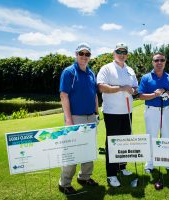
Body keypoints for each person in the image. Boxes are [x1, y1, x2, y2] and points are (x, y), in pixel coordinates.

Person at [58, 42, 99, 195]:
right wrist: (68, 120)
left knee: (89, 149)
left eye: (87, 54)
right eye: (81, 54)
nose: (84, 57)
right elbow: (64, 95)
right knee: (72, 151)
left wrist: (96, 113)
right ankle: (65, 183)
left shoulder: (91, 73)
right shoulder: (69, 72)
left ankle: (84, 177)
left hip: (90, 117)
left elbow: (94, 94)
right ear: (76, 55)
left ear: (90, 56)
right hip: (75, 117)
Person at [97, 42, 138, 187]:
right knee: (112, 142)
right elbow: (101, 86)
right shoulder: (106, 68)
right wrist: (121, 88)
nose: (121, 54)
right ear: (114, 53)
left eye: (124, 52)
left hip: (127, 111)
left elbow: (135, 87)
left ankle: (122, 167)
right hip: (112, 112)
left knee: (125, 140)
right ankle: (111, 173)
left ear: (126, 54)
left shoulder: (130, 70)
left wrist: (133, 90)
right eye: (118, 52)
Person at [138, 52, 169, 173]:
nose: (159, 62)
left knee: (167, 136)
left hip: (166, 110)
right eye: (156, 60)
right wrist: (154, 95)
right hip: (151, 111)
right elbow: (140, 96)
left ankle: (167, 162)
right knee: (151, 136)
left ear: (165, 62)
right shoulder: (146, 77)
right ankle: (150, 163)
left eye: (162, 60)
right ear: (152, 62)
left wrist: (166, 92)